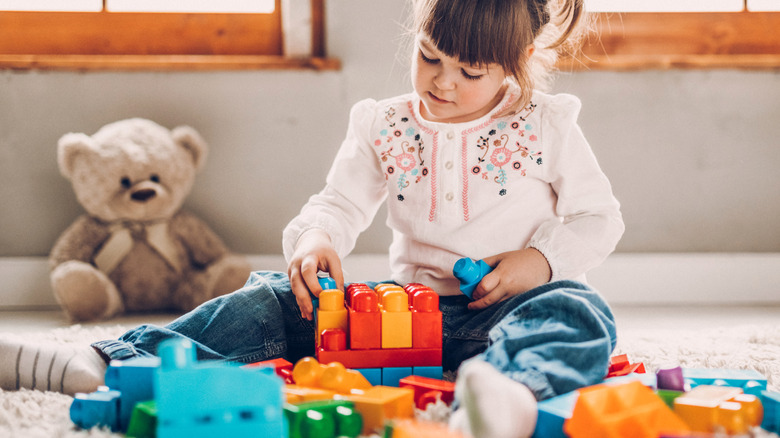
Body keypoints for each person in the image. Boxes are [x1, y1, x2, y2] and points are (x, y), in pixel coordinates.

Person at [1, 0, 624, 437]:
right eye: (430, 56)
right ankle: (104, 361)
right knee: (270, 298)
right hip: (404, 317)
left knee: (579, 309)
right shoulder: (385, 124)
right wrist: (317, 241)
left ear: (515, 63)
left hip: (507, 313)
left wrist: (537, 262)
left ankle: (506, 398)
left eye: (471, 72)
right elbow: (337, 203)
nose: (443, 82)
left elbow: (600, 219)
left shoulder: (546, 124)